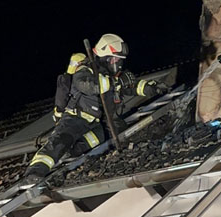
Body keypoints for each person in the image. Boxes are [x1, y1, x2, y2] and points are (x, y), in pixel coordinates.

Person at [21, 33, 167, 187]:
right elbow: (87, 85)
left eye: (120, 60)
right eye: (116, 59)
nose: (118, 63)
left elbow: (133, 86)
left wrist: (152, 88)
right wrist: (116, 82)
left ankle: (73, 152)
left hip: (96, 122)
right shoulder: (86, 69)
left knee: (116, 129)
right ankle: (35, 172)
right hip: (76, 118)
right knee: (60, 141)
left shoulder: (113, 76)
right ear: (105, 57)